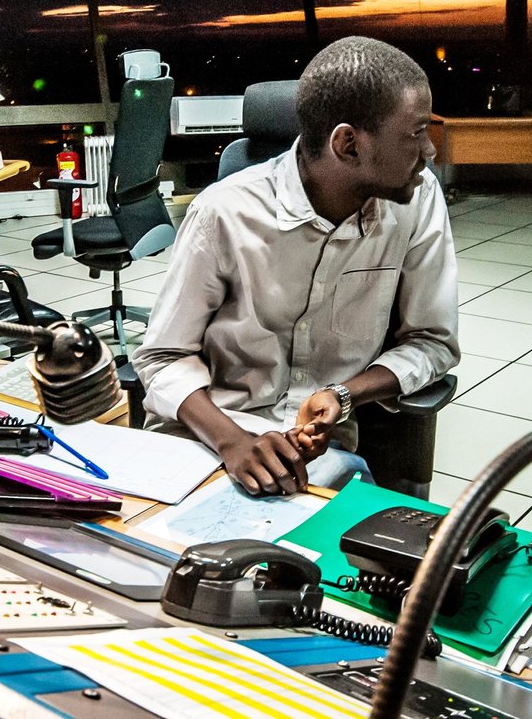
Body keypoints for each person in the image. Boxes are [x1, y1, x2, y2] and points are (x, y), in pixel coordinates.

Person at [131, 36, 460, 495]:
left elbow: (432, 343)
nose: (429, 150)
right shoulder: (225, 212)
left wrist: (342, 395)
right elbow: (162, 356)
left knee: (312, 559)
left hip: (321, 457)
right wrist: (233, 442)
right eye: (415, 132)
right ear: (348, 144)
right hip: (206, 437)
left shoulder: (417, 202)